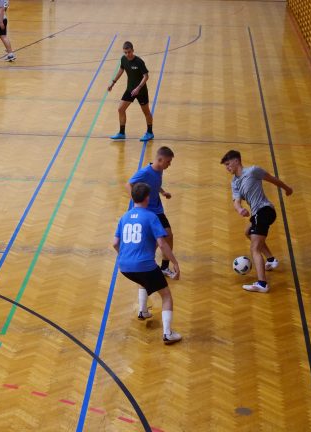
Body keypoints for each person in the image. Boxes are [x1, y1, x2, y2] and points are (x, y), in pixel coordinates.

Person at [113, 182, 182, 345]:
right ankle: (167, 334)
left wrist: (125, 256)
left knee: (142, 279)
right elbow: (163, 243)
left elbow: (115, 243)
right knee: (166, 295)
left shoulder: (124, 217)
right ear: (147, 198)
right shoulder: (151, 216)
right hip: (144, 265)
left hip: (124, 266)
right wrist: (175, 263)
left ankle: (143, 311)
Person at [220, 150, 293, 293]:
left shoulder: (253, 171)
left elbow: (272, 179)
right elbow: (236, 201)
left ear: (236, 161)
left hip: (264, 210)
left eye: (228, 164)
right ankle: (271, 260)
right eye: (225, 166)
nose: (227, 168)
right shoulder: (234, 182)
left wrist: (287, 188)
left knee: (255, 249)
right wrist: (240, 209)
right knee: (248, 232)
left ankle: (262, 284)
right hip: (257, 214)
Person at [127, 146, 176, 278]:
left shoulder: (159, 169)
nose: (169, 164)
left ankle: (164, 267)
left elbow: (155, 184)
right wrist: (136, 202)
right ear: (160, 159)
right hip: (146, 211)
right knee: (152, 241)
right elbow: (129, 184)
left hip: (157, 209)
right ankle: (145, 266)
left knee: (169, 235)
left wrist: (163, 192)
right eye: (168, 162)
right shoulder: (144, 172)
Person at [107, 41, 153, 142]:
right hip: (130, 90)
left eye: (129, 52)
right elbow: (121, 70)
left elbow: (146, 76)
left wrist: (138, 88)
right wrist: (113, 83)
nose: (127, 54)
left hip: (141, 92)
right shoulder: (123, 59)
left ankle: (150, 132)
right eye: (125, 52)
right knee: (120, 109)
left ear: (133, 50)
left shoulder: (139, 62)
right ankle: (121, 133)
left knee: (146, 112)